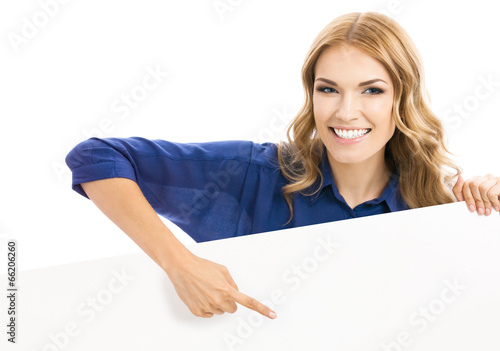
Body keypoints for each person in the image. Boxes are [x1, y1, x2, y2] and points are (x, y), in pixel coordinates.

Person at [65, 11, 500, 320]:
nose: (347, 112)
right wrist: (180, 263)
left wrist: (487, 206)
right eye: (329, 89)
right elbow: (96, 156)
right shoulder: (254, 175)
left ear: (401, 99)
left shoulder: (438, 205)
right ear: (311, 94)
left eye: (371, 91)